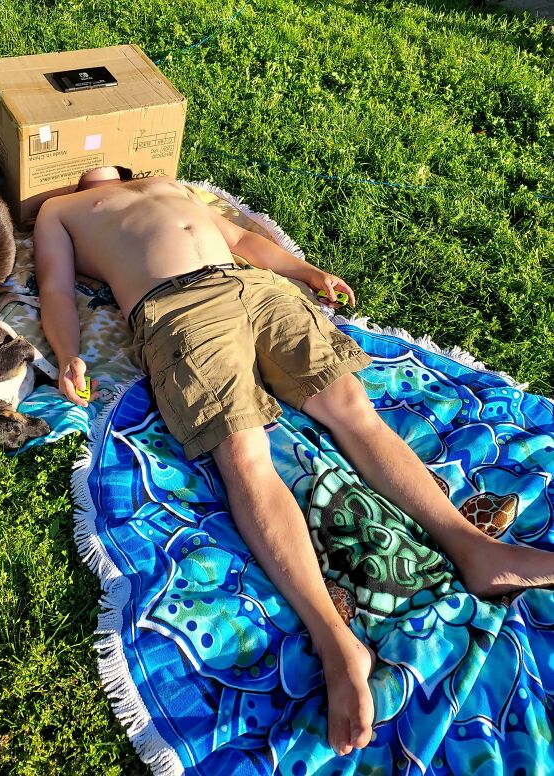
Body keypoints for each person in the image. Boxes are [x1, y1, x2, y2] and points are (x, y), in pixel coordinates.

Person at [34, 166, 554, 757]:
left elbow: (240, 240)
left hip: (254, 287)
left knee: (353, 408)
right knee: (243, 453)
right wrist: (69, 352)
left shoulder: (169, 183)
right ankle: (337, 642)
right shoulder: (61, 209)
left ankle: (474, 548)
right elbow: (54, 285)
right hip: (177, 309)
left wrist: (302, 271)